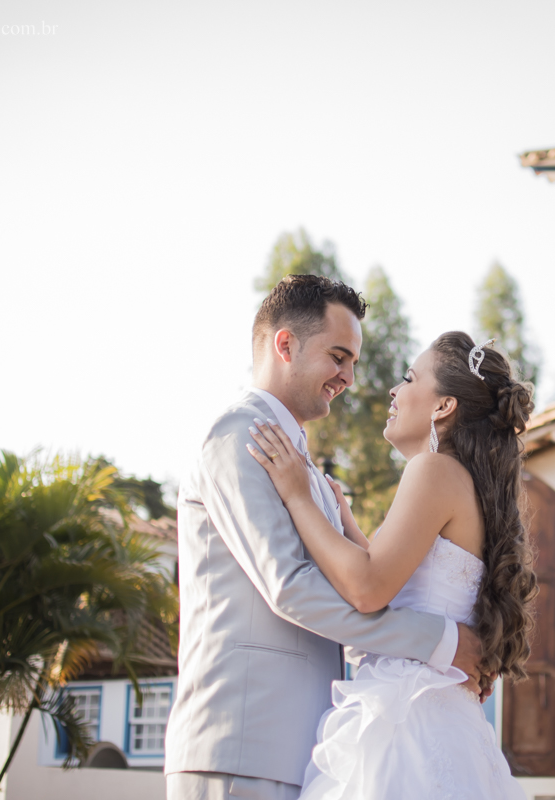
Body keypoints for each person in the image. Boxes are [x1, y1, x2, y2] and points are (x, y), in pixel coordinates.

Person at [165, 276, 486, 800]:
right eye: (339, 357)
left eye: (354, 362)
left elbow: (358, 589)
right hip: (242, 743)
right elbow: (291, 587)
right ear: (285, 344)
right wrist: (440, 643)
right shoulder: (238, 438)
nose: (350, 378)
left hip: (309, 750)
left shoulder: (300, 466)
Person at [246, 330, 536, 799]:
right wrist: (345, 523)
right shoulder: (469, 485)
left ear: (443, 407)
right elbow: (402, 578)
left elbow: (367, 588)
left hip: (411, 721)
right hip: (444, 718)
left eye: (408, 378)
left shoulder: (433, 470)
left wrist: (298, 495)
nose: (393, 391)